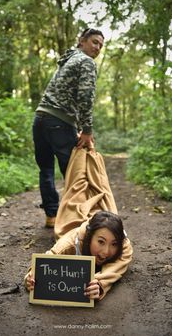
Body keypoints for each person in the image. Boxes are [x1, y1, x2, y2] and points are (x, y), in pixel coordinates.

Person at [24, 148, 133, 301]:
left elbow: (119, 264)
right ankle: (82, 150)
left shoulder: (123, 244)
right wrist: (31, 277)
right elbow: (45, 261)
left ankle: (90, 150)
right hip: (73, 219)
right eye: (101, 242)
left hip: (104, 215)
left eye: (114, 244)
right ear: (89, 237)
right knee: (77, 185)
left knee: (100, 185)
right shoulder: (68, 243)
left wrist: (101, 283)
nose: (106, 252)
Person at [33, 28, 104, 228]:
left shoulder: (68, 60)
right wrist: (87, 130)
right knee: (74, 172)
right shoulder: (86, 62)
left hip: (40, 119)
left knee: (46, 169)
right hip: (59, 123)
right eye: (94, 42)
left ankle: (52, 216)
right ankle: (73, 220)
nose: (97, 48)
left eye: (100, 45)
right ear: (82, 41)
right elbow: (85, 97)